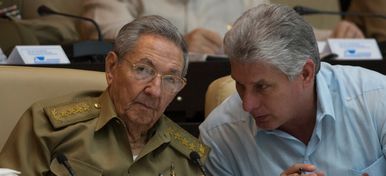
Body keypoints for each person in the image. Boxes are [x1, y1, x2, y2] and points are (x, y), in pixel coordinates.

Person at [0, 15, 233, 176]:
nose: (155, 90)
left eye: (170, 79)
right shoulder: (50, 125)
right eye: (143, 70)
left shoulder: (188, 156)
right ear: (111, 68)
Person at [199, 3, 386, 176]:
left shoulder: (376, 97)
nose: (247, 104)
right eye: (240, 85)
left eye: (262, 87)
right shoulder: (220, 133)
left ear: (305, 73)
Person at [80, 0, 363, 55]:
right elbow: (101, 30)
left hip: (243, 99)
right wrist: (176, 44)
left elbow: (271, 26)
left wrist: (335, 36)